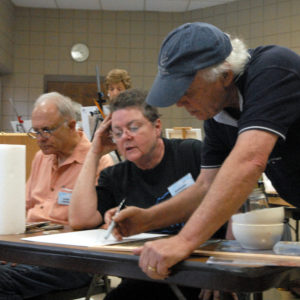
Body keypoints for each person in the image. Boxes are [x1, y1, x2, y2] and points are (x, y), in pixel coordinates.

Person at [110, 22, 300, 281]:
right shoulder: (217, 115)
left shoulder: (273, 68)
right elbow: (204, 188)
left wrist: (185, 240)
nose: (179, 101)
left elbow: (250, 160)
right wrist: (146, 220)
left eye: (186, 91)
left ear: (225, 74)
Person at [70, 89, 226, 299]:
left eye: (134, 127)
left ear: (157, 127)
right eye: (117, 132)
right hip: (146, 274)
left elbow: (229, 206)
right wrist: (95, 150)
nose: (126, 137)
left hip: (198, 271)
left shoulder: (191, 153)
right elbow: (80, 220)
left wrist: (219, 273)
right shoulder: (115, 176)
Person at [0, 92, 113, 299]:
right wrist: (13, 250)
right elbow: (24, 209)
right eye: (36, 131)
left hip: (69, 260)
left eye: (46, 131)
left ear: (71, 126)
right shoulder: (40, 158)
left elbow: (103, 229)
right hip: (28, 251)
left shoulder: (99, 161)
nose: (40, 139)